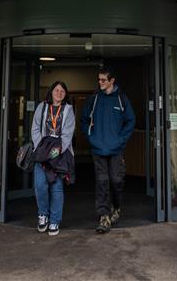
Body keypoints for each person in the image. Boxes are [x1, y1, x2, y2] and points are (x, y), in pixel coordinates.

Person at [80, 67, 135, 234]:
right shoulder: (94, 99)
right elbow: (84, 120)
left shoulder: (121, 98)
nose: (100, 82)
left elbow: (130, 121)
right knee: (102, 182)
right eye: (99, 79)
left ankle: (116, 207)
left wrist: (121, 140)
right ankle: (104, 216)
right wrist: (91, 137)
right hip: (98, 148)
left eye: (103, 80)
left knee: (117, 180)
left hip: (116, 148)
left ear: (112, 81)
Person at [31, 80, 75, 236]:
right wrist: (40, 147)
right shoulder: (42, 107)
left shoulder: (68, 110)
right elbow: (35, 128)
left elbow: (68, 133)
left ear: (65, 94)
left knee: (57, 188)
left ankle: (55, 221)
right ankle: (43, 215)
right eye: (56, 90)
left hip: (59, 153)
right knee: (40, 185)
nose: (59, 93)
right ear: (51, 92)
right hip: (42, 151)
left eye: (62, 91)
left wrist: (58, 150)